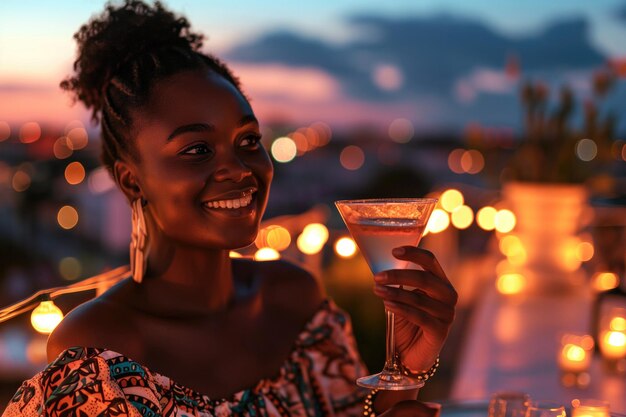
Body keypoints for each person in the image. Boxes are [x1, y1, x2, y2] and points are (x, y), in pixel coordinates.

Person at [2, 1, 457, 416]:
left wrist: (410, 366)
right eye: (197, 149)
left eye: (248, 141)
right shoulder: (95, 356)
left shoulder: (296, 301)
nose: (238, 169)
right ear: (130, 179)